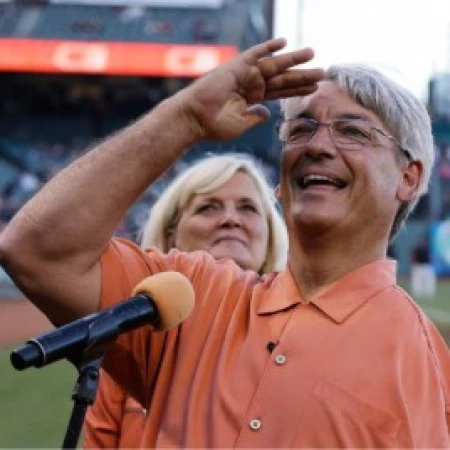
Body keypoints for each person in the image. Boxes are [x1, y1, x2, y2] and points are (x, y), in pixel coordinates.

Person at [0, 38, 449, 447]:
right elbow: (36, 249)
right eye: (301, 129)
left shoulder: (420, 361)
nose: (317, 145)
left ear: (409, 178)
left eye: (353, 131)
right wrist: (187, 116)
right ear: (281, 184)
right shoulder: (192, 299)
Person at [83, 153, 288, 448]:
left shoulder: (298, 337)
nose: (231, 219)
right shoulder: (131, 347)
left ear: (270, 235)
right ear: (171, 236)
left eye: (248, 208)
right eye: (208, 208)